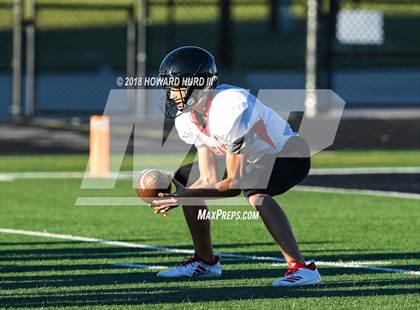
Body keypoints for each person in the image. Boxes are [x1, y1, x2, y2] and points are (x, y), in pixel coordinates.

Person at [152, 46, 321, 287]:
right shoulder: (186, 118)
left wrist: (184, 197)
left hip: (289, 154)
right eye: (170, 86)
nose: (172, 93)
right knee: (185, 179)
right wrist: (180, 195)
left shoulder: (230, 105)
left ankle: (302, 268)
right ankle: (205, 261)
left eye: (177, 85)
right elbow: (209, 178)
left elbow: (233, 184)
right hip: (255, 159)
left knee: (254, 191)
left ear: (200, 84)